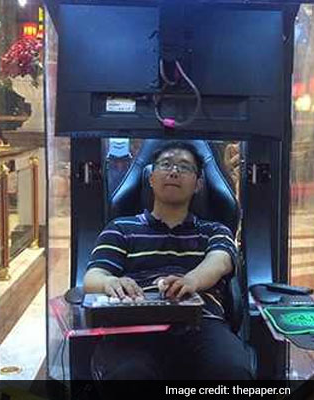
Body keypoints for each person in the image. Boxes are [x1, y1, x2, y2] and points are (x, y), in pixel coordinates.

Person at [83, 141, 253, 381]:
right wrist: (110, 283)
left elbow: (221, 260)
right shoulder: (121, 228)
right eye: (165, 165)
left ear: (198, 184)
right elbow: (93, 277)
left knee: (232, 373)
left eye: (185, 167)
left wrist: (191, 280)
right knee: (129, 378)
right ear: (151, 178)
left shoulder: (214, 229)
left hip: (202, 321)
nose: (174, 171)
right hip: (135, 324)